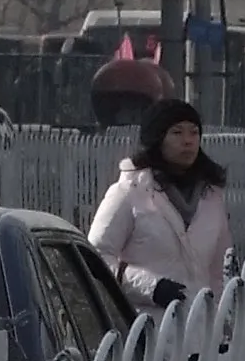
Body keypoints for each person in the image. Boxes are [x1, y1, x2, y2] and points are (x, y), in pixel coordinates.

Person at [88, 97, 233, 309]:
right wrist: (152, 287)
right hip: (146, 328)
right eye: (177, 132)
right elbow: (96, 258)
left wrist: (223, 326)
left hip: (201, 330)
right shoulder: (129, 192)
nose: (188, 141)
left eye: (194, 132)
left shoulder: (210, 197)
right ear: (158, 139)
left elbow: (220, 270)